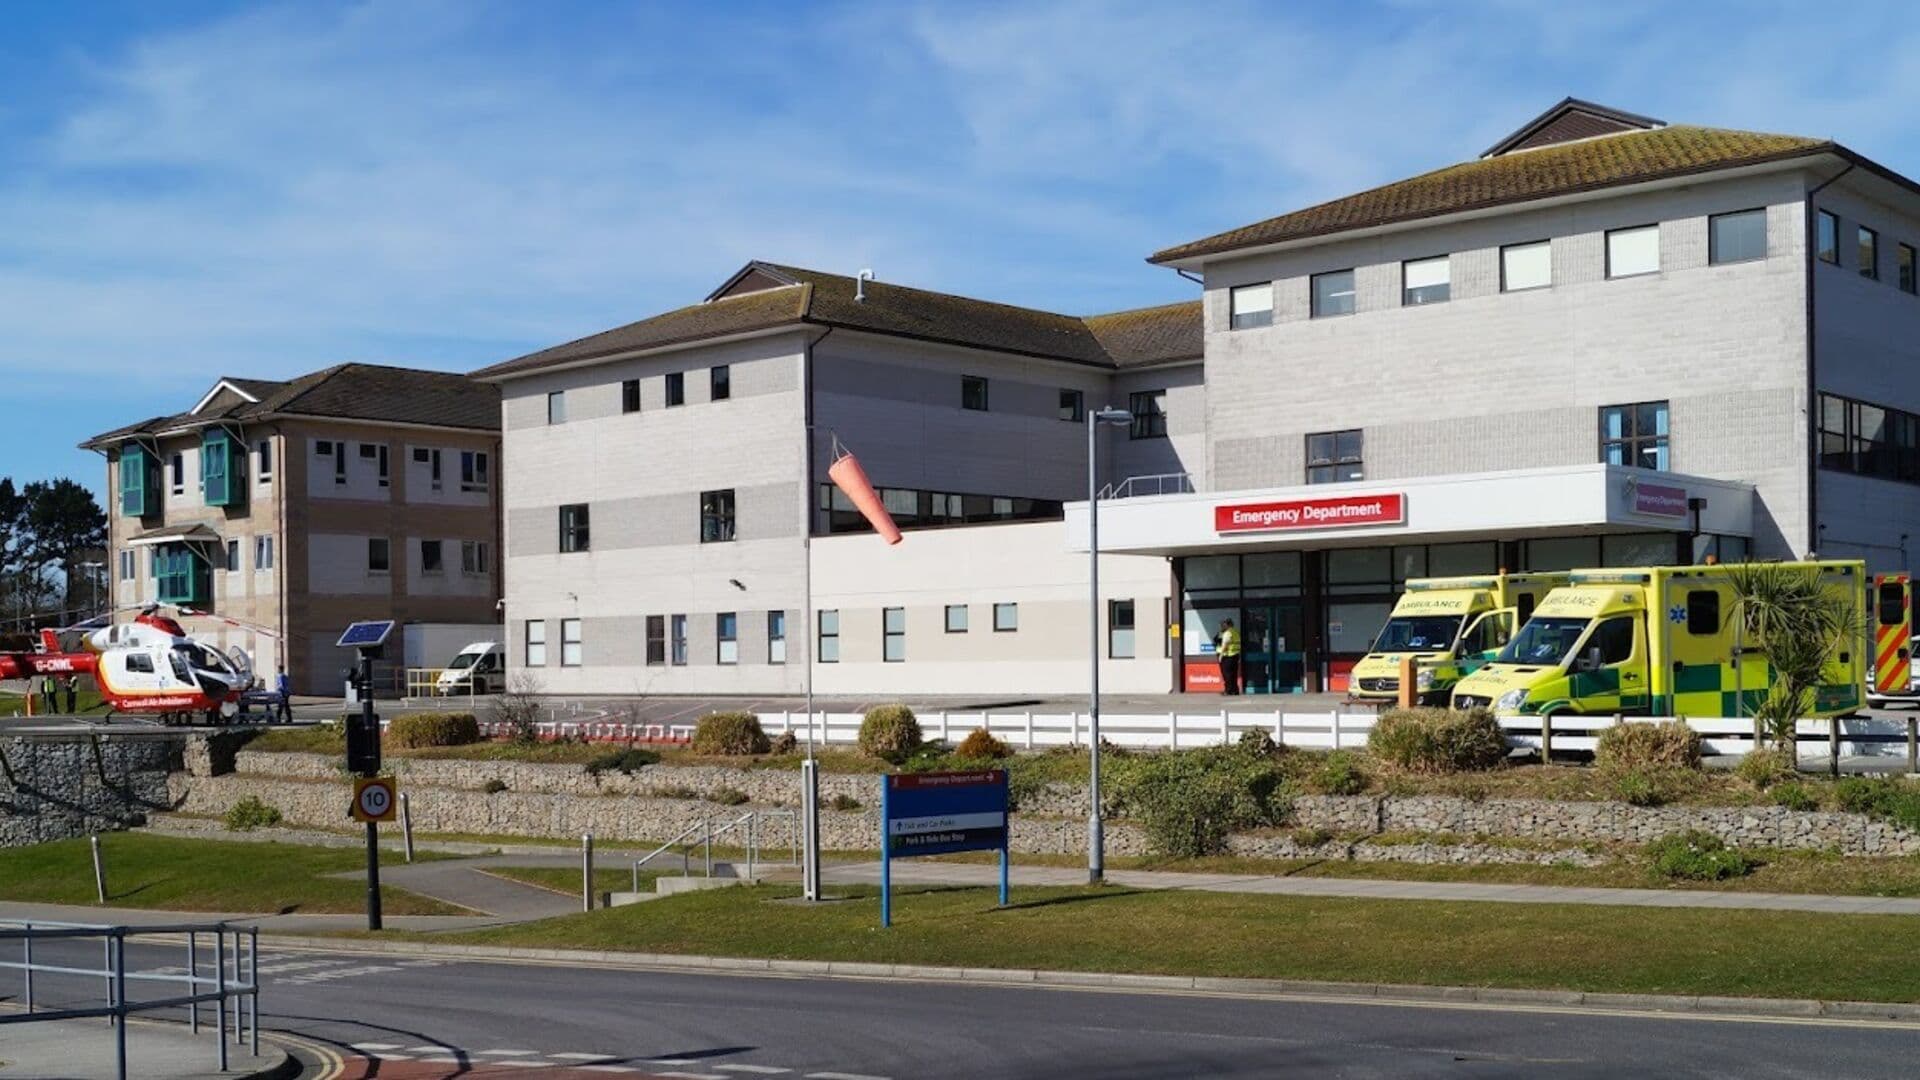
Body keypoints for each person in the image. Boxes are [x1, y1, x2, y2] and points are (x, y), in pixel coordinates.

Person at [1217, 618, 1243, 696]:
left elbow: (1225, 644)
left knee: (1227, 674)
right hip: (1235, 655)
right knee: (1234, 674)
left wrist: (1221, 655)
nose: (1223, 625)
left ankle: (1228, 690)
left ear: (1227, 624)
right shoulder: (1236, 632)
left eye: (1224, 624)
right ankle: (1235, 690)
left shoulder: (1228, 633)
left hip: (1228, 656)